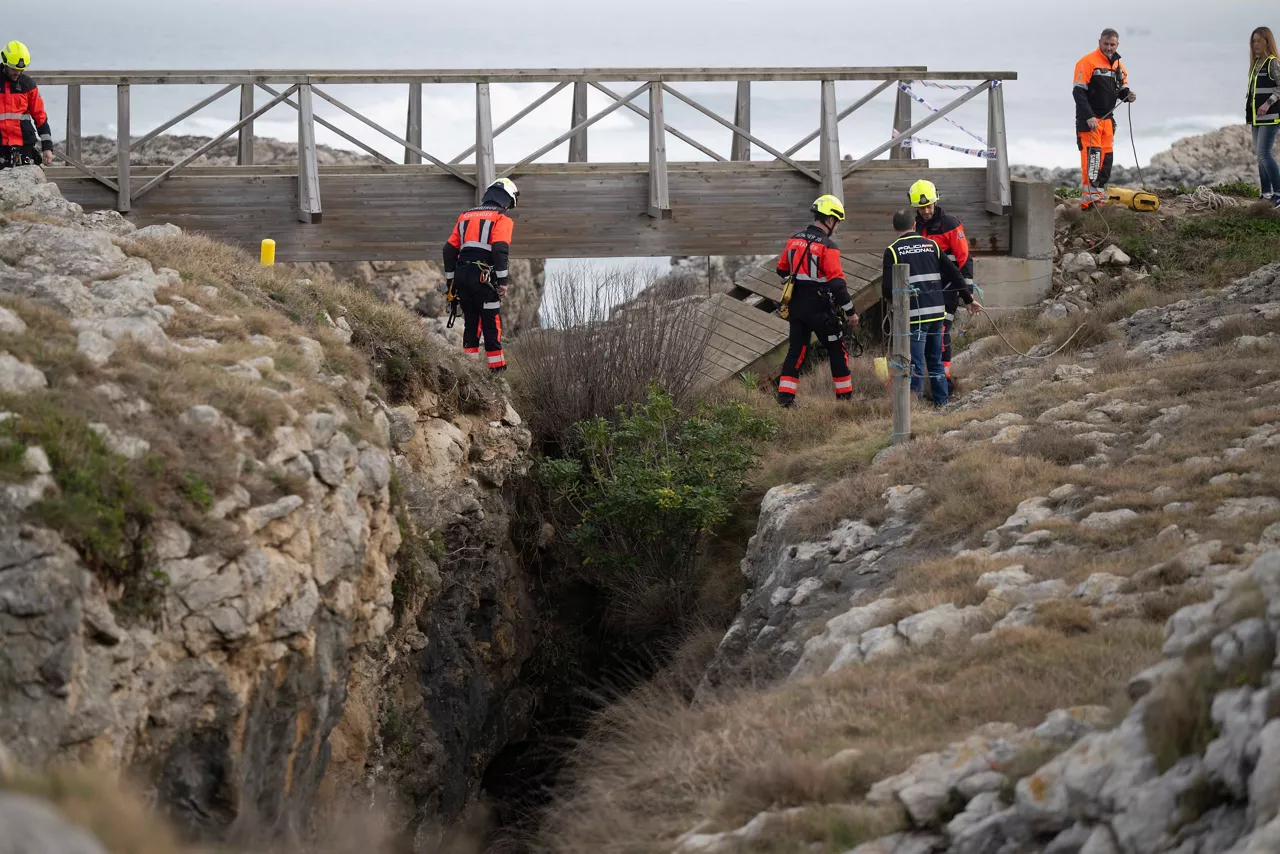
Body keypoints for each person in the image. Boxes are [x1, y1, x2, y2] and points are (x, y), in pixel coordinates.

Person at [882, 209, 980, 408]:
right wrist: (969, 299)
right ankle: (941, 403)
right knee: (935, 361)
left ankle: (915, 408)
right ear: (915, 225)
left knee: (916, 363)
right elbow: (955, 275)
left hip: (915, 316)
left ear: (894, 228)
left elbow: (886, 289)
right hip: (937, 313)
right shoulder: (932, 245)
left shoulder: (892, 251)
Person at [774, 194, 858, 408]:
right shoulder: (828, 246)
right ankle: (845, 400)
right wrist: (851, 312)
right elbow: (838, 285)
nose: (837, 228)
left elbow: (781, 269)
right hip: (820, 308)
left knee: (796, 350)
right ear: (830, 220)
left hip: (796, 306)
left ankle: (785, 399)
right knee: (837, 349)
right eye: (837, 223)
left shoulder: (794, 240)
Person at [443, 178, 519, 373]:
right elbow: (500, 248)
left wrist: (450, 281)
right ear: (506, 200)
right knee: (491, 323)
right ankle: (497, 371)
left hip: (462, 277)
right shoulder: (501, 218)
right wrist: (502, 281)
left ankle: (470, 369)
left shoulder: (465, 216)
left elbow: (449, 250)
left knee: (471, 321)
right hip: (483, 278)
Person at [910, 179, 974, 393]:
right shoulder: (916, 226)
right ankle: (928, 380)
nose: (926, 210)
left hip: (947, 288)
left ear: (935, 201)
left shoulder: (950, 225)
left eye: (929, 205)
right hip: (924, 289)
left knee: (942, 331)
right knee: (921, 333)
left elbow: (964, 259)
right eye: (922, 207)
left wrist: (967, 293)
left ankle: (944, 380)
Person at [1073, 28, 1137, 210]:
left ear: (1117, 45)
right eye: (1106, 44)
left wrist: (1128, 95)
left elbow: (1121, 88)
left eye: (1112, 45)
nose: (1109, 48)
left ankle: (1098, 197)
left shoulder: (1118, 65)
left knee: (1105, 161)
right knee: (1092, 161)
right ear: (1099, 42)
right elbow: (1078, 93)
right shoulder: (1087, 62)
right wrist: (1089, 116)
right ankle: (1089, 203)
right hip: (1090, 122)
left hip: (1108, 122)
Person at [0, 41, 53, 169]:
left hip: (24, 147)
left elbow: (40, 116)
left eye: (20, 69)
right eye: (14, 69)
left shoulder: (28, 85)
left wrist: (47, 146)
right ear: (5, 63)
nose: (17, 72)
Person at [1248, 26, 1280, 206]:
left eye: (1258, 40)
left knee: (1265, 154)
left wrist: (1268, 103)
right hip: (1256, 118)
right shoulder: (1256, 64)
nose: (1255, 45)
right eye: (1253, 41)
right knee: (1260, 156)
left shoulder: (1273, 62)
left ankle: (1279, 193)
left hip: (1271, 117)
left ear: (1267, 41)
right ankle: (1266, 193)